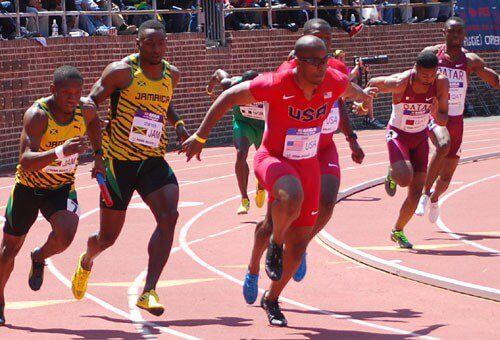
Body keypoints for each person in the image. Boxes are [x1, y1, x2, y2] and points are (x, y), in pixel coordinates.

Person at [182, 35, 375, 327]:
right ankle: (273, 245)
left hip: (307, 163)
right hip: (272, 158)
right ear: (297, 62)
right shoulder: (276, 83)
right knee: (290, 195)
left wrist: (365, 100)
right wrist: (200, 135)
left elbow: (352, 90)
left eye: (324, 61)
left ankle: (271, 298)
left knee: (298, 248)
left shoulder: (332, 80)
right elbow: (228, 96)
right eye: (314, 62)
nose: (322, 67)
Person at [242, 18, 366, 306]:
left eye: (329, 40)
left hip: (321, 148)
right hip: (287, 153)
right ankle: (253, 267)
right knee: (271, 223)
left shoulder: (333, 69)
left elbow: (342, 101)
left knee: (327, 204)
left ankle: (302, 242)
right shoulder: (291, 70)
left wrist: (351, 138)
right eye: (317, 38)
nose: (325, 46)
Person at [70, 20, 189, 317]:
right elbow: (90, 103)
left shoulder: (171, 75)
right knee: (107, 238)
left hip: (152, 159)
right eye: (150, 43)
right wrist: (91, 134)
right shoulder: (121, 72)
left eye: (161, 43)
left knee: (169, 215)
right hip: (117, 163)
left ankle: (149, 290)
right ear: (137, 43)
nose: (156, 49)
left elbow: (165, 104)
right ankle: (87, 259)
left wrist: (179, 126)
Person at [0, 66, 104, 326]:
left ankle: (39, 257)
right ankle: (0, 299)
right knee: (9, 250)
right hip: (29, 186)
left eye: (77, 92)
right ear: (52, 90)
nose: (72, 98)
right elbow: (25, 160)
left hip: (60, 186)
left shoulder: (86, 109)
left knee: (67, 234)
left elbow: (94, 125)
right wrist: (60, 152)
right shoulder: (38, 115)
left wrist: (99, 158)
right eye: (66, 93)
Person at [414, 17, 500, 222]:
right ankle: (424, 195)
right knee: (443, 146)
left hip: (457, 120)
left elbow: (494, 80)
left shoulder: (470, 61)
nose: (456, 35)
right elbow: (415, 75)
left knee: (447, 175)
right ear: (444, 32)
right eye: (452, 31)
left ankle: (434, 198)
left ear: (464, 34)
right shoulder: (433, 54)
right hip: (435, 115)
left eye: (460, 32)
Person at [363, 51, 449, 248]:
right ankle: (393, 172)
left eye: (432, 75)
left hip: (419, 137)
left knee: (416, 192)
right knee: (404, 178)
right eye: (424, 75)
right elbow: (373, 83)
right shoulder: (401, 82)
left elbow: (444, 117)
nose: (428, 79)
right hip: (398, 134)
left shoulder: (441, 83)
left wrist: (436, 114)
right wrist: (364, 106)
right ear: (415, 69)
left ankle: (398, 230)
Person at [206, 69, 266, 214]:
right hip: (243, 124)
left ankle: (262, 183)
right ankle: (244, 199)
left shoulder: (268, 87)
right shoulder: (230, 84)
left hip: (263, 125)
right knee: (240, 154)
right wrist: (209, 90)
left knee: (265, 160)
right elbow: (218, 73)